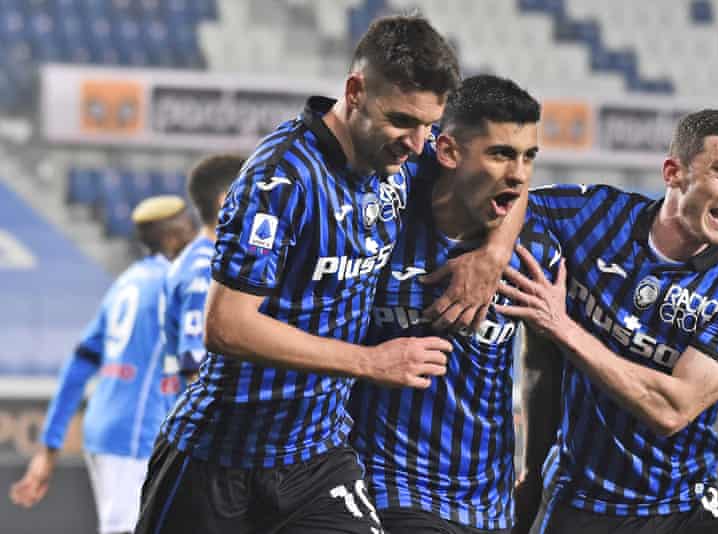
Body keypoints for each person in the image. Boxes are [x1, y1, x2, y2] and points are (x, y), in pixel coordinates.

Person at [136, 15, 526, 534]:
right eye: (403, 120)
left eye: (430, 125)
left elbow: (510, 178)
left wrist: (493, 254)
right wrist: (370, 361)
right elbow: (226, 325)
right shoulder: (280, 179)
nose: (417, 142)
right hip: (220, 455)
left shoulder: (405, 158)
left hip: (319, 458)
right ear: (355, 91)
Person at [498, 110, 718, 533]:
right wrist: (488, 256)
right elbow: (502, 203)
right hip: (582, 501)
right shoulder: (591, 216)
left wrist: (561, 326)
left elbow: (672, 409)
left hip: (684, 504)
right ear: (674, 172)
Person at [349, 74, 561, 534]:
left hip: (491, 504)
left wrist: (495, 254)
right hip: (387, 487)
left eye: (529, 157)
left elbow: (543, 365)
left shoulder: (537, 251)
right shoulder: (384, 216)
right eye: (501, 153)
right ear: (446, 152)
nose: (519, 173)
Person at [9, 195, 195, 534]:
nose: (196, 235)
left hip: (105, 428)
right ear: (171, 237)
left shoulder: (125, 283)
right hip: (137, 432)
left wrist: (49, 449)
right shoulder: (173, 284)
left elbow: (79, 364)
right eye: (188, 228)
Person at [159, 154, 245, 387]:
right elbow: (195, 365)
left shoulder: (205, 259)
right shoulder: (205, 269)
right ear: (226, 201)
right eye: (254, 195)